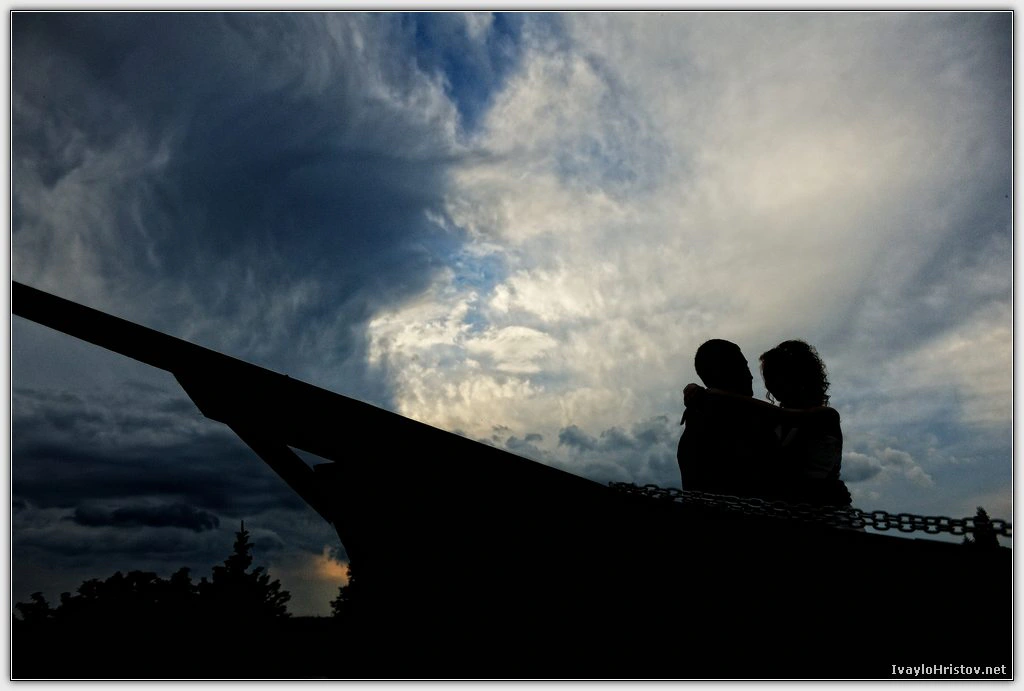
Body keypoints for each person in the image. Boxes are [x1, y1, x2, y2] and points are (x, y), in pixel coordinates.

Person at [683, 340, 851, 507]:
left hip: (824, 512)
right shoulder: (767, 422)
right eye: (768, 376)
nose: (769, 383)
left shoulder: (826, 416)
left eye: (777, 375)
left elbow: (784, 416)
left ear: (799, 376)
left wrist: (712, 393)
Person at [676, 339, 781, 498]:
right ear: (724, 372)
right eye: (743, 367)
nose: (751, 376)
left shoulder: (699, 420)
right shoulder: (744, 425)